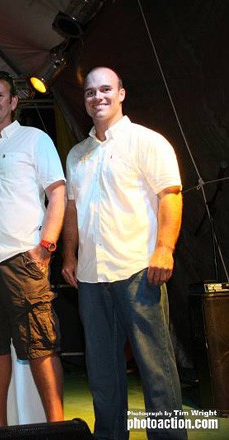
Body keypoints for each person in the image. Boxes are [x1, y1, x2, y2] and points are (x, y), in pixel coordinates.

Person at [61, 67, 186, 440]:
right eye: (90, 92)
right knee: (102, 373)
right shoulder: (77, 154)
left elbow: (170, 195)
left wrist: (164, 249)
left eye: (105, 90)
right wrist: (69, 256)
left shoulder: (147, 141)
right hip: (90, 277)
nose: (97, 97)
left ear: (121, 94)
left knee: (157, 371)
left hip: (138, 271)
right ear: (84, 100)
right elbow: (71, 210)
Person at [0, 71, 66, 426]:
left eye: (0, 95)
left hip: (22, 258)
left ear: (14, 101)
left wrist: (46, 247)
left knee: (40, 342)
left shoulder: (34, 139)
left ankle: (57, 424)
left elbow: (57, 193)